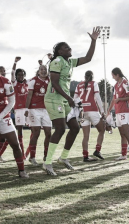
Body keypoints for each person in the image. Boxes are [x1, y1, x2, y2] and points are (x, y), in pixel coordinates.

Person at [43, 27, 101, 176]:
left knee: (75, 128)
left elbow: (88, 58)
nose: (69, 49)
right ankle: (47, 162)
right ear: (60, 51)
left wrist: (93, 41)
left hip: (64, 99)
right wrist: (69, 98)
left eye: (69, 46)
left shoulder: (69, 61)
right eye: (66, 47)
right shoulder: (56, 61)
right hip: (54, 98)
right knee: (61, 128)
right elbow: (54, 83)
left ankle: (63, 158)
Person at [106, 67, 129, 162]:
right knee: (122, 134)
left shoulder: (125, 82)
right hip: (118, 111)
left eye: (113, 75)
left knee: (126, 132)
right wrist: (108, 111)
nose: (112, 77)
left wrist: (120, 99)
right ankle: (124, 155)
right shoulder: (116, 85)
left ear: (117, 75)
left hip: (126, 110)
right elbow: (113, 99)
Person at [74, 70, 106, 162]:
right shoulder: (93, 83)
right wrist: (102, 111)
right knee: (101, 130)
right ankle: (97, 150)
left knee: (85, 136)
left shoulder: (78, 85)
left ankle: (85, 156)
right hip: (92, 110)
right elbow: (97, 98)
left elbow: (75, 99)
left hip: (83, 111)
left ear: (84, 76)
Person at [24, 65, 52, 165]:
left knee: (48, 133)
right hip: (34, 109)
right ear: (38, 72)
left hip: (46, 110)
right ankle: (32, 157)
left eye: (45, 70)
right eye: (41, 70)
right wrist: (26, 108)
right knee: (36, 133)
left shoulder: (51, 81)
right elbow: (29, 96)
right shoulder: (33, 81)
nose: (43, 71)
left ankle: (46, 155)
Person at [11, 57, 28, 159]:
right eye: (19, 75)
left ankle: (29, 154)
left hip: (28, 110)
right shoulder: (14, 84)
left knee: (35, 131)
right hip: (18, 110)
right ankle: (22, 154)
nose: (20, 76)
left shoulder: (27, 83)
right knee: (20, 132)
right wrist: (15, 63)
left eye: (22, 75)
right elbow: (12, 73)